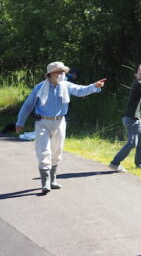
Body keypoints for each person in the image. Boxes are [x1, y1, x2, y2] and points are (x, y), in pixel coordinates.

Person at [15, 61, 107, 195]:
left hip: (60, 122)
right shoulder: (39, 88)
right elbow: (27, 106)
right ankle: (45, 182)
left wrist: (95, 86)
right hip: (42, 123)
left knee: (57, 151)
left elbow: (81, 90)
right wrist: (20, 122)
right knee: (44, 152)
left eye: (63, 71)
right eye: (59, 71)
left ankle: (53, 180)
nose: (62, 74)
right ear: (50, 74)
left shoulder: (66, 85)